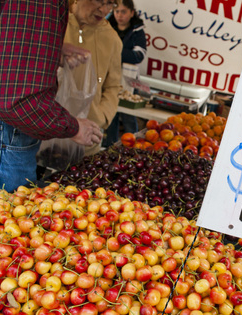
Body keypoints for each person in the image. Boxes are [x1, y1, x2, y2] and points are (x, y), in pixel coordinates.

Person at [0, 0, 103, 193]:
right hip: (8, 135)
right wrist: (73, 127)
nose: (103, 8)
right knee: (12, 212)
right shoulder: (43, 3)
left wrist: (49, 50)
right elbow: (18, 101)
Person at [65, 0, 123, 155]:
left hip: (87, 139)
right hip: (45, 132)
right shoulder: (56, 22)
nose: (104, 9)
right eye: (99, 0)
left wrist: (102, 117)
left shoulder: (112, 39)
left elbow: (113, 86)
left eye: (110, 3)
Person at [104, 0, 147, 147]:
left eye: (123, 12)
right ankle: (110, 148)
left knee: (128, 115)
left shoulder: (137, 30)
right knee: (111, 114)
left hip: (128, 80)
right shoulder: (107, 26)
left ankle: (133, 148)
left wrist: (115, 52)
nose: (119, 15)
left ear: (131, 13)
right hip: (108, 77)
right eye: (117, 12)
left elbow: (139, 55)